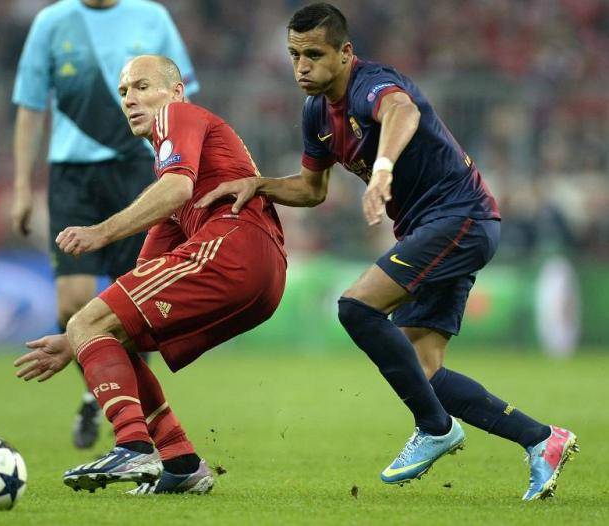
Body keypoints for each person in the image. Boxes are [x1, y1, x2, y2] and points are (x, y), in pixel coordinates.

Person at [197, 3, 577, 500]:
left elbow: (403, 111)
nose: (302, 66)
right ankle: (542, 440)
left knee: (356, 307)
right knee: (424, 371)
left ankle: (434, 428)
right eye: (294, 55)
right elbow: (312, 189)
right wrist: (258, 184)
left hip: (460, 217)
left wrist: (382, 170)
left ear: (345, 52)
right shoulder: (316, 113)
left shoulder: (372, 84)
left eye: (314, 54)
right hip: (434, 230)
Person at [13, 55, 287, 495]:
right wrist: (79, 340)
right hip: (261, 274)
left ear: (176, 92)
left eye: (142, 87)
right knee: (110, 332)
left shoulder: (178, 118)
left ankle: (132, 446)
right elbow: (138, 282)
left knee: (89, 321)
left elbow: (176, 188)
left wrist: (99, 233)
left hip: (234, 247)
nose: (130, 99)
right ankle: (181, 463)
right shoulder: (180, 171)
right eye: (124, 91)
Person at [11, 0, 199, 449]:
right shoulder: (52, 23)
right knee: (72, 305)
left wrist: (188, 165)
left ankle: (129, 420)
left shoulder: (152, 17)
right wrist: (21, 185)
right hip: (72, 175)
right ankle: (99, 389)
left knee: (134, 308)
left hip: (139, 169)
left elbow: (184, 97)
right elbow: (30, 107)